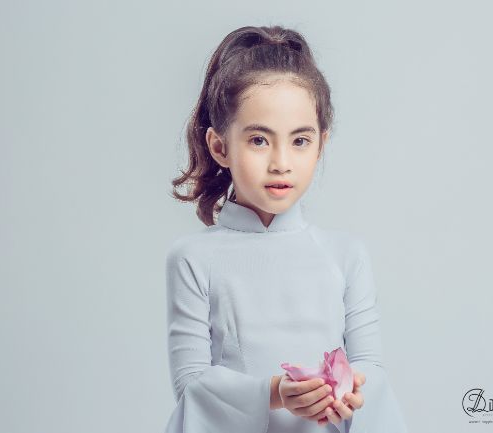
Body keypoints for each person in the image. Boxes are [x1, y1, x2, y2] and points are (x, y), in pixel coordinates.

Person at [164, 25, 408, 433]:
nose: (281, 163)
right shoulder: (192, 258)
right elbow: (191, 385)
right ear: (220, 146)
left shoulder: (346, 255)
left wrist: (350, 393)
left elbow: (371, 367)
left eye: (300, 141)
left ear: (320, 144)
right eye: (259, 140)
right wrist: (274, 392)